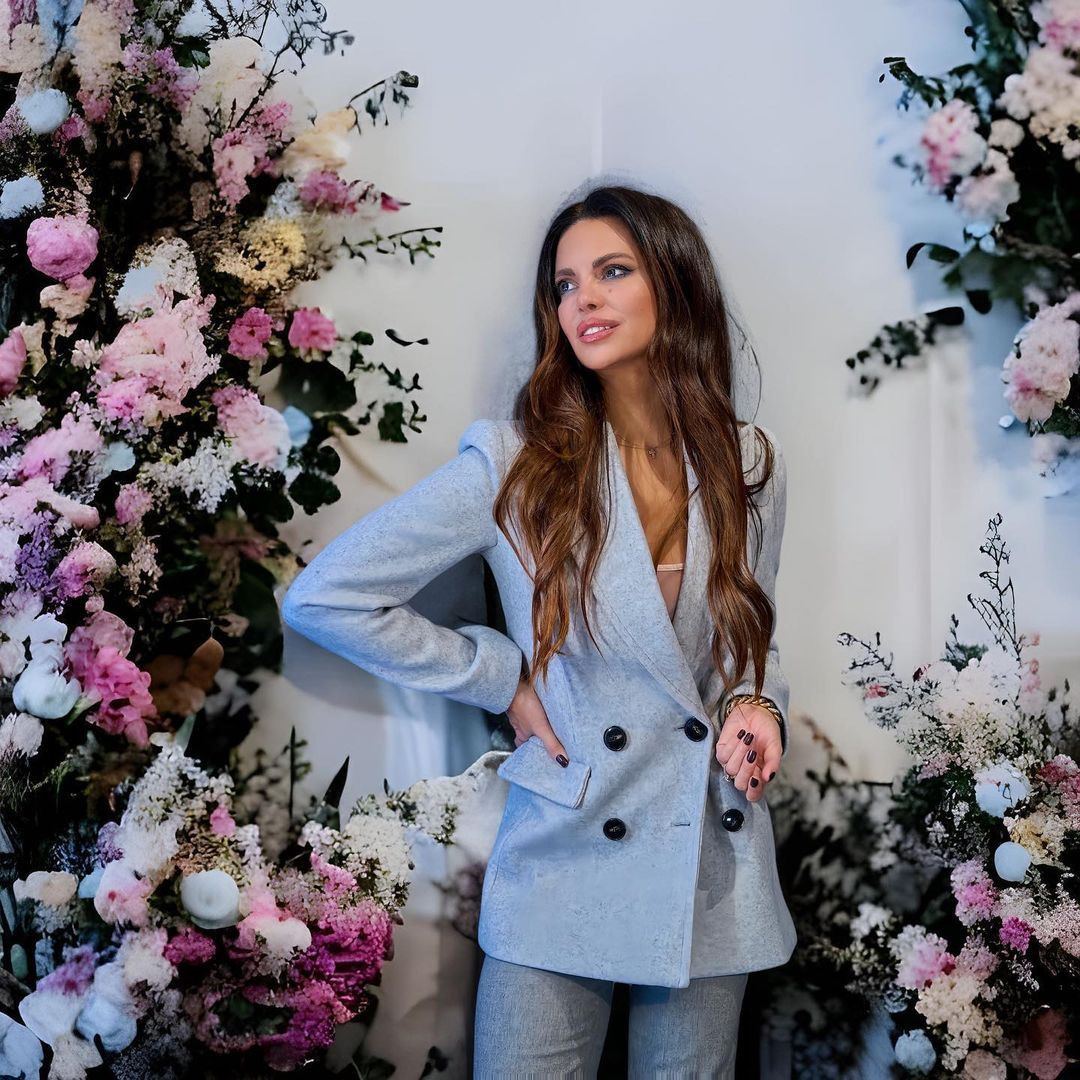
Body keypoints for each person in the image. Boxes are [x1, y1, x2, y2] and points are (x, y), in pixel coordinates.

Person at [280, 183, 796, 1079]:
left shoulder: (748, 460)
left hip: (709, 848)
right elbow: (326, 595)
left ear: (674, 282)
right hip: (565, 840)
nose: (582, 299)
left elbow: (753, 634)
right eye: (564, 284)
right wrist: (502, 679)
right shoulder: (517, 462)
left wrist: (760, 704)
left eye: (612, 271)